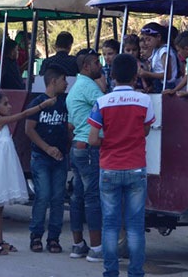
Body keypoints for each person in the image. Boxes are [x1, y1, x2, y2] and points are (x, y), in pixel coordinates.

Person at [87, 53, 155, 277]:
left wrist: (111, 139)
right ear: (136, 76)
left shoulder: (102, 102)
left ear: (112, 75)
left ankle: (111, 272)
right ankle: (136, 272)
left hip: (109, 168)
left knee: (110, 225)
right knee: (135, 225)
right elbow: (145, 131)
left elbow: (93, 139)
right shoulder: (145, 100)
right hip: (136, 167)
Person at [0, 92, 54, 255]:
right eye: (5, 104)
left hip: (0, 169)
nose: (10, 106)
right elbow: (24, 114)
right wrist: (42, 106)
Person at [65, 49, 105, 261]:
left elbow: (71, 124)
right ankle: (96, 248)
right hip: (90, 149)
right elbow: (108, 109)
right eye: (97, 63)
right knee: (92, 198)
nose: (101, 66)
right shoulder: (90, 87)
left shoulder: (75, 88)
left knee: (78, 197)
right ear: (87, 66)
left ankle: (78, 244)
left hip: (77, 148)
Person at [25, 66, 69, 254]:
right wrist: (47, 149)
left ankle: (54, 238)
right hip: (41, 157)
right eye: (63, 80)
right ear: (53, 82)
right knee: (43, 196)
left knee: (58, 198)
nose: (66, 84)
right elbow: (29, 129)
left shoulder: (65, 103)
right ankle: (36, 235)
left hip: (61, 157)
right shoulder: (38, 103)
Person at [137, 22, 178, 92]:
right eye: (145, 40)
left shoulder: (164, 51)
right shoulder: (157, 51)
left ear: (158, 37)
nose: (146, 43)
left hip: (167, 86)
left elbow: (167, 75)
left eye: (149, 39)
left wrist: (147, 74)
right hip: (158, 85)